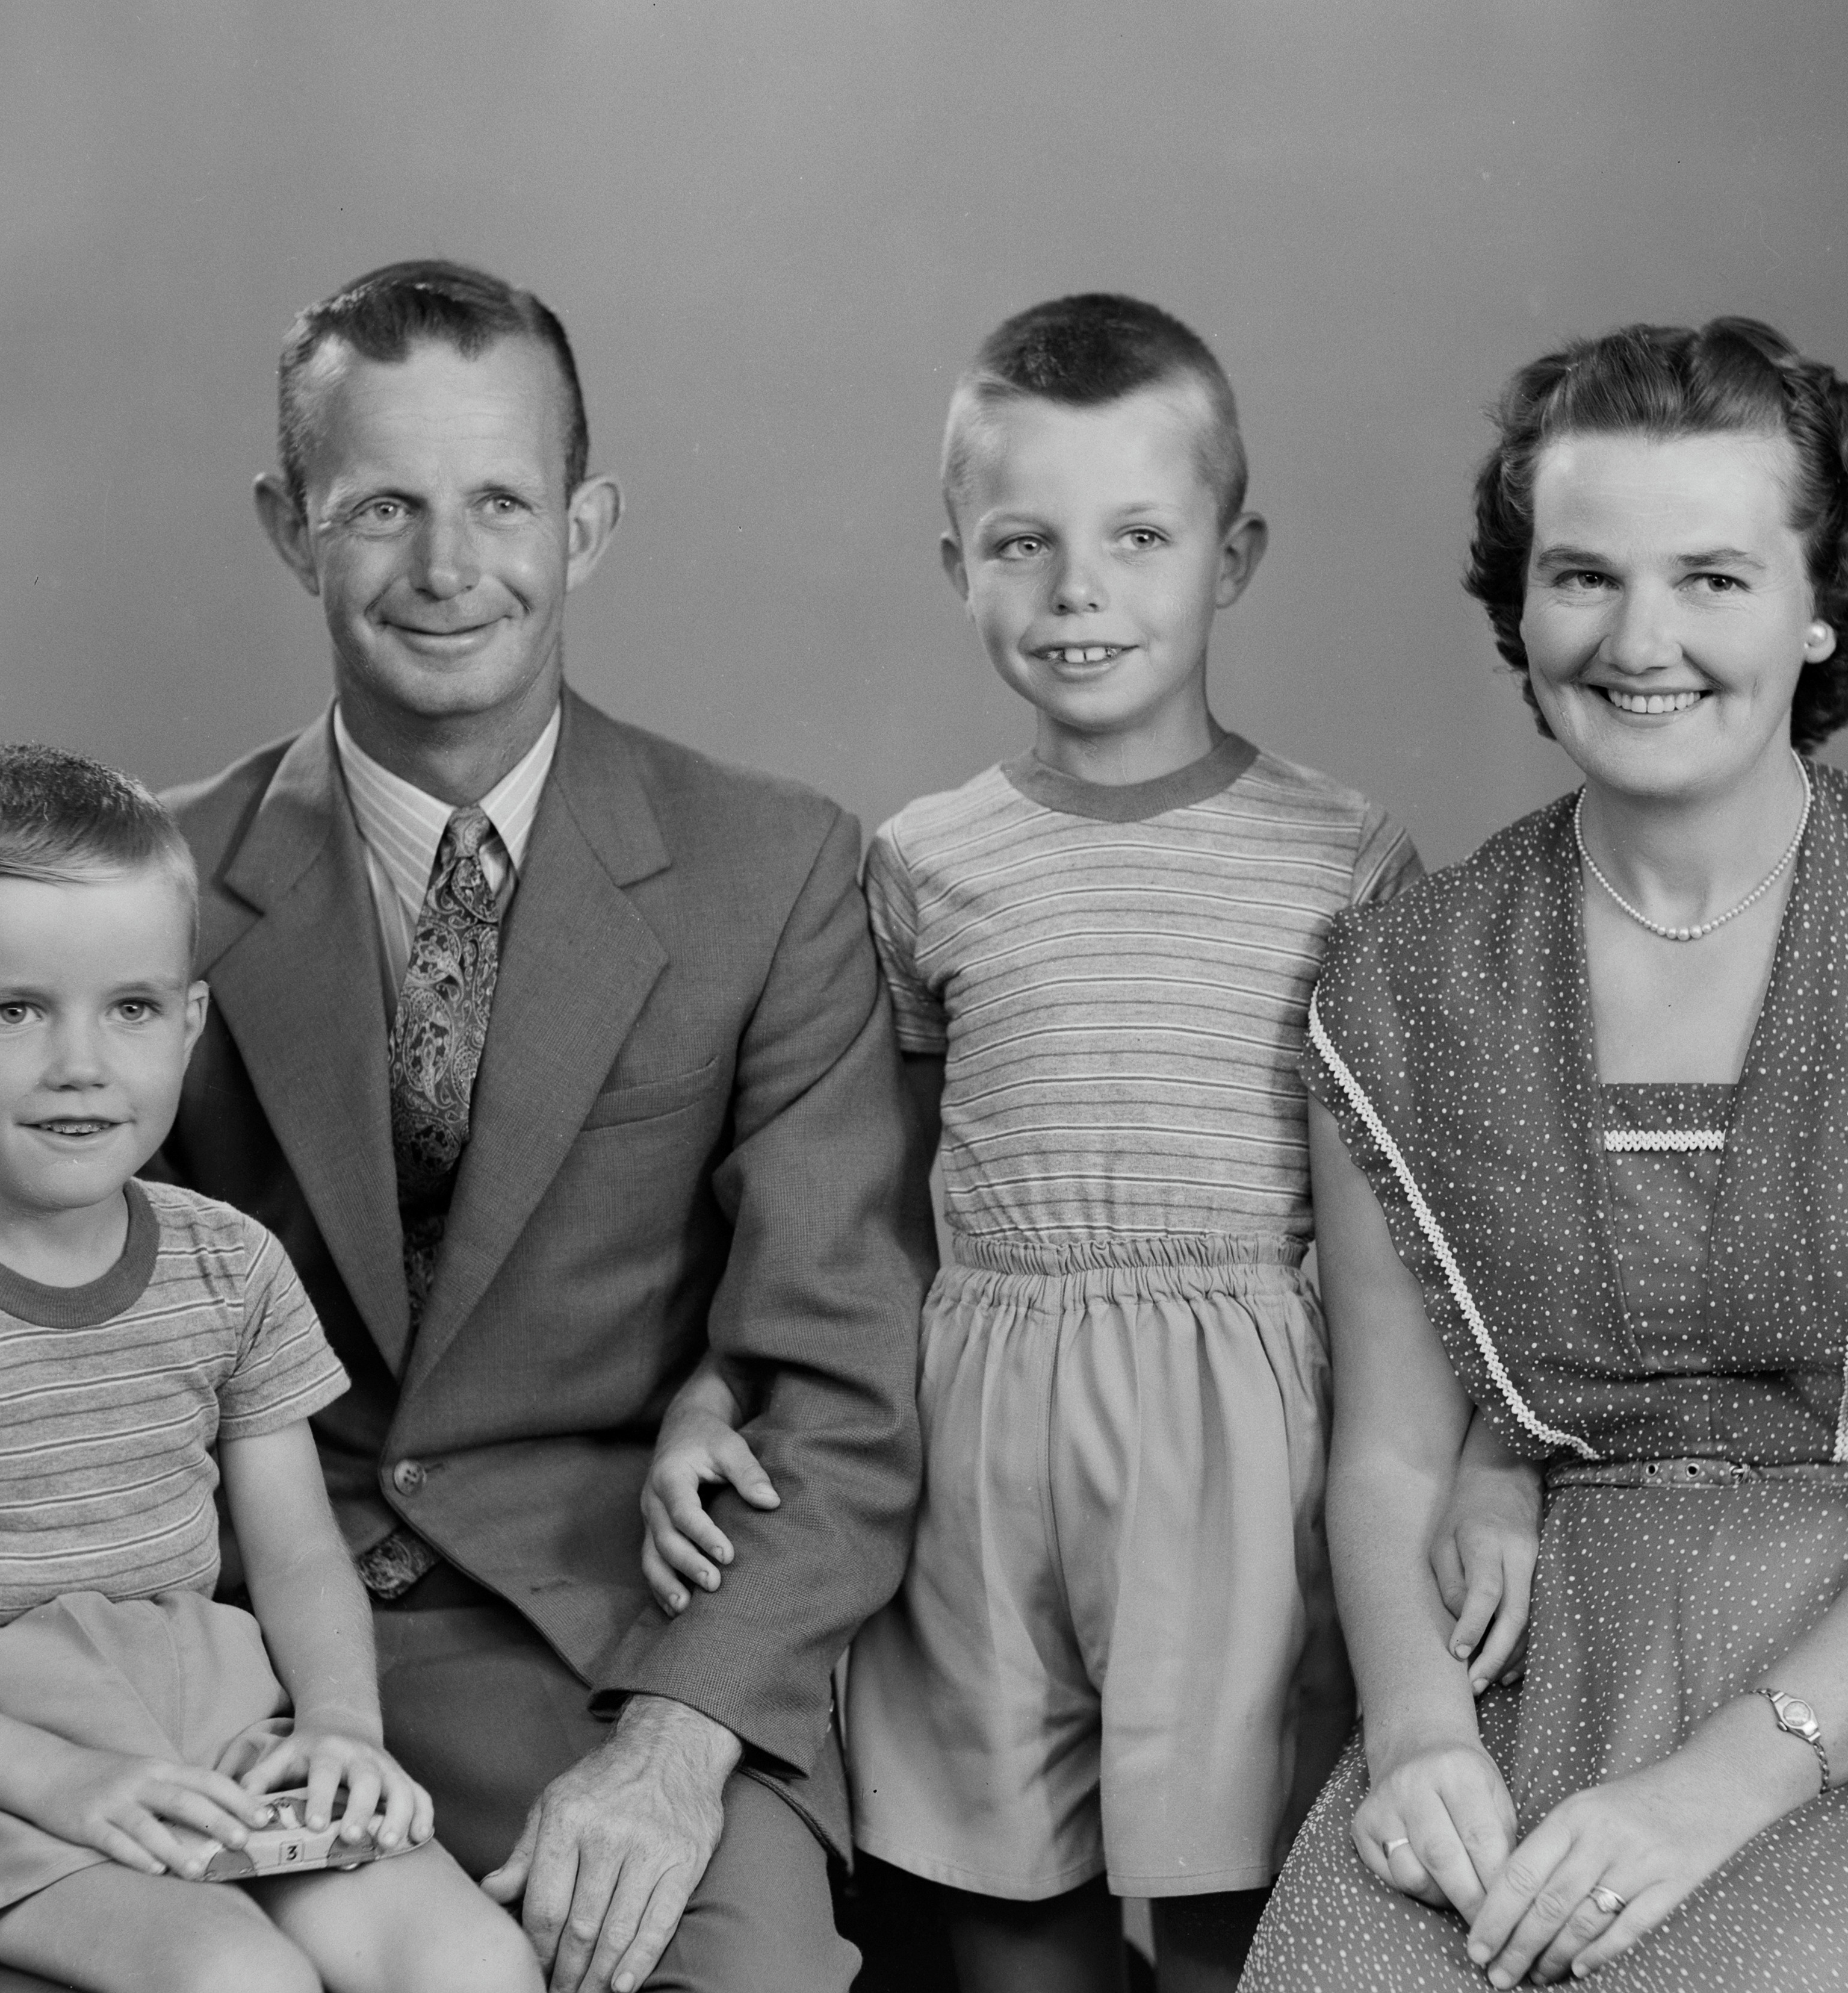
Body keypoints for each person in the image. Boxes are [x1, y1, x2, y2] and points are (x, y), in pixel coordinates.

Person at [0, 260, 931, 1993]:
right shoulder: (145, 894)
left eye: (500, 499)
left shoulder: (774, 866)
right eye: (380, 506)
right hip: (226, 1667)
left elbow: (847, 1387)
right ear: (289, 523)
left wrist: (681, 1742)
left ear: (588, 524)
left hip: (608, 1645)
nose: (445, 565)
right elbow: (17, 1377)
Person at [1240, 317, 1848, 1990]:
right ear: (1520, 610)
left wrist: (1702, 1798)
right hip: (1549, 1674)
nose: (1641, 638)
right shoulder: (1405, 978)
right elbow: (1391, 1456)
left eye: (1713, 578)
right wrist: (1414, 1738)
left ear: (1824, 605)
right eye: (1584, 576)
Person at [643, 293, 1524, 1993]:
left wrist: (1491, 1450)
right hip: (981, 1429)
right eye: (1022, 543)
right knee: (1000, 1918)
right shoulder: (927, 862)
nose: (1079, 591)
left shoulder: (1342, 855)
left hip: (1249, 1432)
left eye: (1138, 536)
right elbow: (858, 1197)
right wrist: (717, 1381)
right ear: (956, 561)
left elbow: (1436, 1221)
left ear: (1235, 553)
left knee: (1233, 1907)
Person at [0, 746, 536, 1992]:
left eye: (132, 1007)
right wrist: (59, 1777)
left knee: (473, 1962)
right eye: (13, 1010)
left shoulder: (229, 1265)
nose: (80, 1061)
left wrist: (337, 1723)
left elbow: (298, 1548)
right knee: (235, 1980)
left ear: (188, 1025)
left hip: (211, 1725)